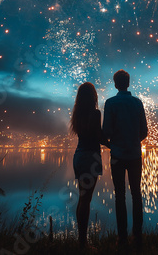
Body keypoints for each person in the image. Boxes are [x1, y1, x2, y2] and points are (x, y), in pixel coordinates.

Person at [103, 69, 148, 247]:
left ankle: (121, 237)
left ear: (115, 84)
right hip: (136, 155)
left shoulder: (110, 103)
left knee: (119, 195)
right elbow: (144, 131)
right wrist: (132, 141)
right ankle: (138, 235)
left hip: (117, 156)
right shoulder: (137, 103)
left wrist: (115, 143)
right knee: (136, 194)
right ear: (128, 83)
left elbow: (106, 131)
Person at [71, 82, 109, 248]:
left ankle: (81, 239)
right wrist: (114, 143)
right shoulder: (95, 113)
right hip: (90, 158)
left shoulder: (77, 114)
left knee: (82, 199)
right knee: (86, 200)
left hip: (79, 156)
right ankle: (83, 242)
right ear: (93, 96)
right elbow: (99, 137)